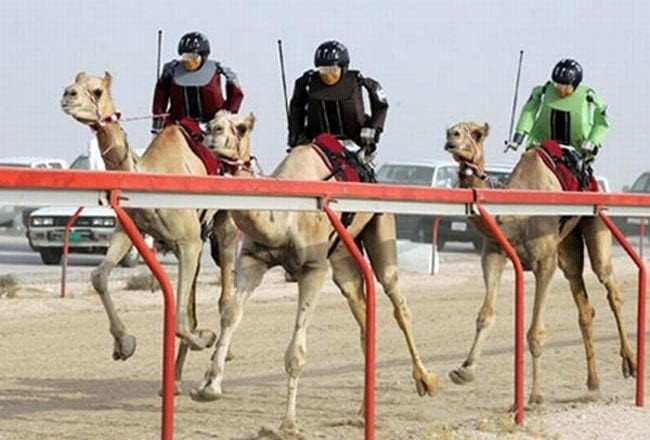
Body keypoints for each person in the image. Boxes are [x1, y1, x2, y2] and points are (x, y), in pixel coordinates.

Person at [287, 40, 388, 164]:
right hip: (316, 143)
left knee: (362, 170)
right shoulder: (307, 82)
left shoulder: (359, 81)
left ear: (343, 67)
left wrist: (373, 128)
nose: (328, 75)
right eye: (323, 70)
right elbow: (296, 108)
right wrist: (296, 134)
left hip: (354, 144)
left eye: (332, 70)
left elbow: (381, 105)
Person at [505, 58, 609, 166]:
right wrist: (518, 138)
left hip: (577, 150)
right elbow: (529, 111)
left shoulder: (588, 96)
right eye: (558, 85)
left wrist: (593, 141)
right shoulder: (544, 90)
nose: (561, 90)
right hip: (542, 144)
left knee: (582, 171)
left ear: (575, 85)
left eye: (566, 87)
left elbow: (602, 122)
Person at [151, 31, 244, 134]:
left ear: (203, 56)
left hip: (213, 125)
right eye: (186, 57)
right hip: (179, 125)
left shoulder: (217, 70)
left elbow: (236, 95)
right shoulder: (171, 71)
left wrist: (226, 112)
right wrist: (158, 118)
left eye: (193, 57)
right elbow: (161, 94)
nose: (189, 61)